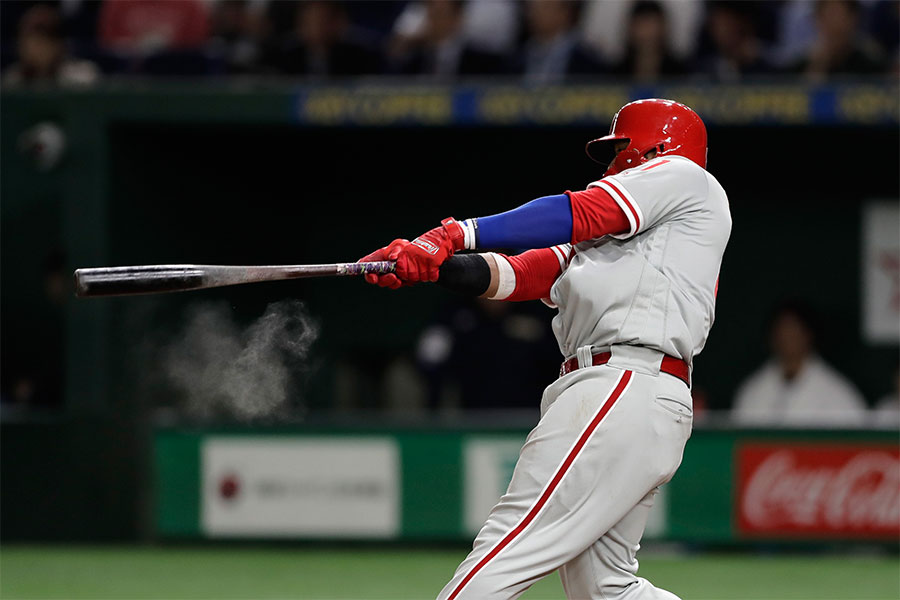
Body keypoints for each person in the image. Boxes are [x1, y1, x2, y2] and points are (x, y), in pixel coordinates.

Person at [360, 99, 731, 599]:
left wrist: (451, 234)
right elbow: (519, 273)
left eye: (621, 148)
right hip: (633, 393)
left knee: (501, 555)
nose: (613, 162)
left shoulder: (685, 178)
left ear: (657, 144)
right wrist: (429, 265)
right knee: (606, 588)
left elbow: (576, 211)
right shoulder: (625, 243)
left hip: (622, 384)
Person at [731, 301, 867, 427]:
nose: (787, 337)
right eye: (782, 330)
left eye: (794, 330)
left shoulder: (839, 393)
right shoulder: (753, 391)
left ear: (808, 335)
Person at [3, 4, 99, 88]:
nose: (34, 50)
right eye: (28, 42)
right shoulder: (11, 81)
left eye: (41, 42)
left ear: (58, 45)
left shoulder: (81, 78)